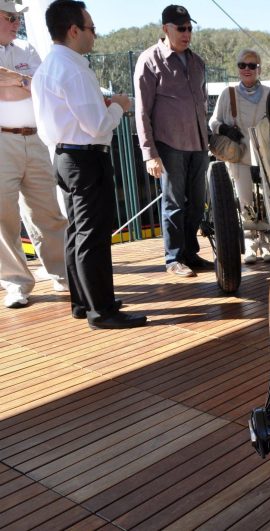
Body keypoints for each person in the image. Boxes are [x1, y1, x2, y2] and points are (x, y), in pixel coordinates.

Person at [31, 0, 146, 329]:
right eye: (91, 28)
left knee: (78, 233)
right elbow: (97, 126)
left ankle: (85, 302)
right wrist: (119, 106)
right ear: (73, 30)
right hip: (85, 158)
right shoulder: (73, 68)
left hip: (63, 156)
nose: (95, 35)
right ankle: (102, 311)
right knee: (93, 235)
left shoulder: (48, 67)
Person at [134, 4, 212, 278]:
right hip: (169, 145)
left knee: (197, 203)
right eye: (181, 28)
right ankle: (173, 258)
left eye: (190, 27)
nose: (187, 33)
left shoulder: (197, 62)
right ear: (165, 28)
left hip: (199, 144)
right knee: (174, 203)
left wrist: (209, 139)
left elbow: (201, 105)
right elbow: (141, 111)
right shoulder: (149, 60)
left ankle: (191, 253)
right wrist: (149, 154)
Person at [0, 0, 68, 309]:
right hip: (3, 143)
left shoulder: (27, 49)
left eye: (17, 18)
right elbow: (25, 85)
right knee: (4, 217)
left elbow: (40, 86)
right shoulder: (25, 55)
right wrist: (19, 81)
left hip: (35, 140)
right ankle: (16, 283)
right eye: (10, 17)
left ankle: (64, 275)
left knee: (48, 213)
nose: (16, 23)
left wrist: (10, 80)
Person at [209, 49, 270, 264]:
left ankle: (265, 244)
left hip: (265, 156)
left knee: (266, 200)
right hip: (240, 155)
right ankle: (250, 246)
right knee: (245, 200)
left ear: (259, 69)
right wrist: (226, 130)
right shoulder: (229, 94)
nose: (247, 69)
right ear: (237, 68)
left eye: (252, 65)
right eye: (242, 65)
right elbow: (213, 122)